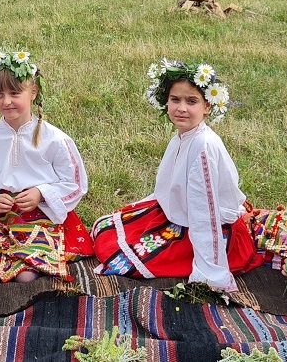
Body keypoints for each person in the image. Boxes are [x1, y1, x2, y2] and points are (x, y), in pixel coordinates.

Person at [91, 58, 263, 292]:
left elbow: (205, 213)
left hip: (213, 230)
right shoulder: (185, 135)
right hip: (185, 215)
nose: (181, 108)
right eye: (175, 100)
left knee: (120, 256)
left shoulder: (203, 145)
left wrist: (211, 274)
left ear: (208, 106)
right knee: (106, 229)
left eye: (191, 101)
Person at [0, 49, 94, 287]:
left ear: (33, 92)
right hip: (1, 217)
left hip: (42, 215)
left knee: (26, 277)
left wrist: (41, 193)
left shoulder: (55, 139)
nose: (7, 101)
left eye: (14, 93)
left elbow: (75, 184)